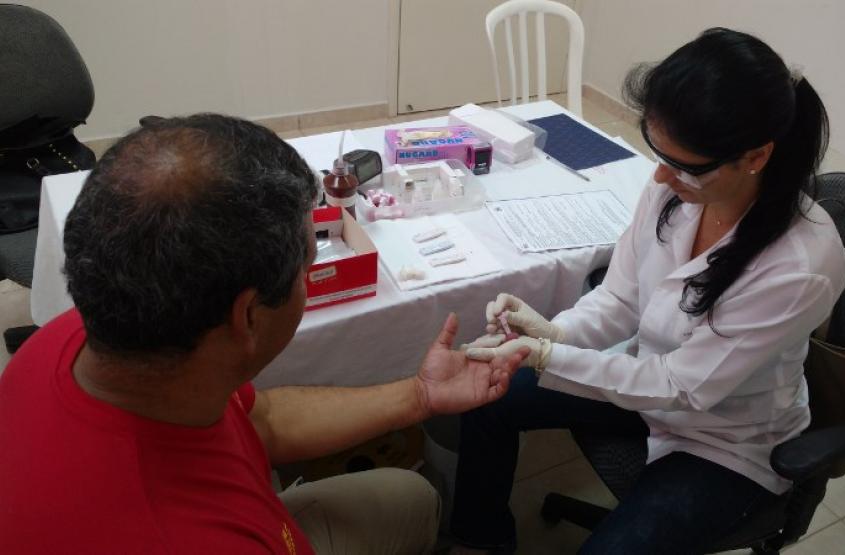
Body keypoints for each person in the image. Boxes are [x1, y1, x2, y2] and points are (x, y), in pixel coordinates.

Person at [0, 114, 528, 554]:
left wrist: (420, 395)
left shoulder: (83, 335)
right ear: (248, 317)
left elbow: (260, 420)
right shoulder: (187, 537)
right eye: (307, 266)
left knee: (410, 498)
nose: (307, 279)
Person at [452, 27, 845, 554]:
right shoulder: (676, 189)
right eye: (658, 154)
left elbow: (681, 386)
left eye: (683, 165)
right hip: (646, 387)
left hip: (726, 440)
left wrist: (547, 355)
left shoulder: (801, 266)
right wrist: (555, 331)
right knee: (489, 393)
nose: (660, 176)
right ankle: (481, 539)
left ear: (755, 156)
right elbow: (621, 299)